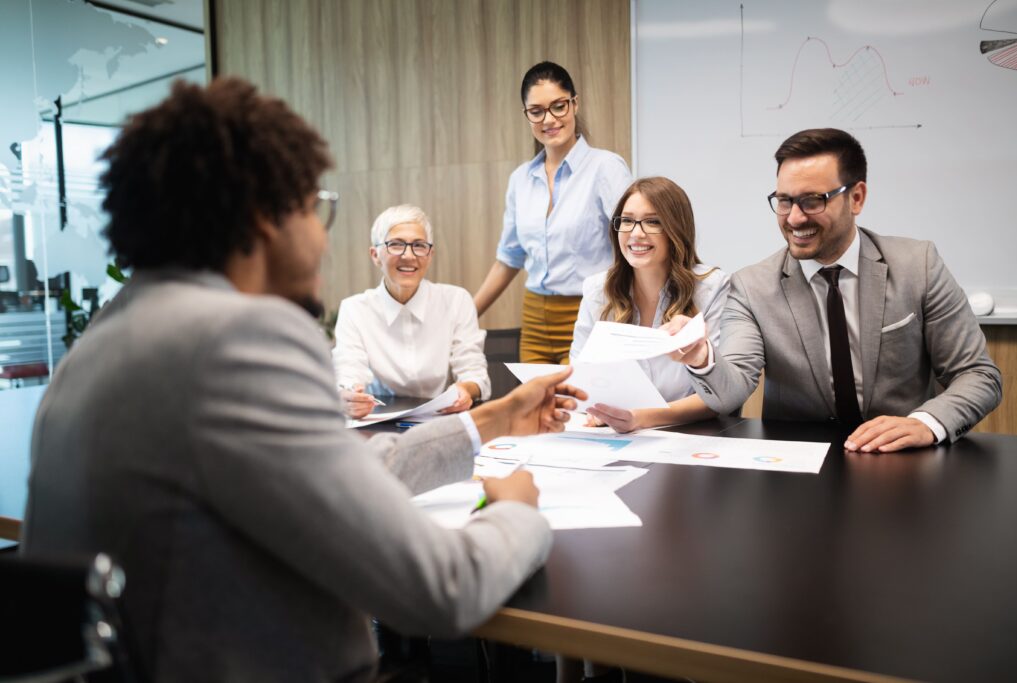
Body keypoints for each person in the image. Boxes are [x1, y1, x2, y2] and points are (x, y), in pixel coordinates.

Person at [20, 78, 586, 683]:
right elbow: (442, 589)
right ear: (265, 218)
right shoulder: (238, 341)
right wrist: (519, 513)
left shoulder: (109, 338)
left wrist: (489, 420)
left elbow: (336, 479)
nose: (322, 236)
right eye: (316, 210)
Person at [670, 127, 1002, 452]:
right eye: (784, 201)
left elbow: (978, 374)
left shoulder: (918, 266)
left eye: (813, 201)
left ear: (856, 198)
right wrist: (701, 359)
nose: (795, 218)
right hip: (796, 466)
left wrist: (926, 423)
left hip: (900, 462)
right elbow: (731, 391)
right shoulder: (751, 287)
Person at [473, 61, 632, 364]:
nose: (549, 119)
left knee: (581, 407)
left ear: (574, 103)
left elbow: (634, 246)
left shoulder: (606, 168)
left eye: (559, 106)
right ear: (526, 115)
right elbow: (508, 259)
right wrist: (464, 317)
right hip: (535, 320)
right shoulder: (520, 178)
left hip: (592, 312)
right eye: (536, 111)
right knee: (537, 410)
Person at [570, 177, 730, 432]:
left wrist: (639, 418)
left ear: (676, 229)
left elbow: (720, 394)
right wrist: (602, 411)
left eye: (653, 222)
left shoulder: (712, 287)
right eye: (628, 221)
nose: (636, 233)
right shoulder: (596, 290)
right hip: (613, 436)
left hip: (689, 436)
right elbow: (580, 380)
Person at [333, 204, 490, 418]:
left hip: (439, 420)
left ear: (430, 254)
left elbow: (474, 372)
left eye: (419, 245)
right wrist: (349, 397)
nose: (408, 256)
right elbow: (348, 373)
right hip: (378, 422)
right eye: (396, 245)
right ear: (375, 255)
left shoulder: (456, 300)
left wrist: (465, 390)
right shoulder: (354, 309)